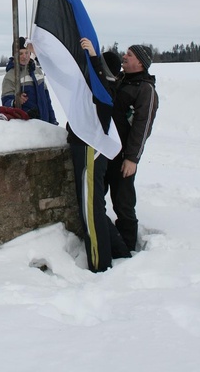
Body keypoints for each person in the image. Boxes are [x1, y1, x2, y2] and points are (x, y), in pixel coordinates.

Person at [66, 38, 131, 272]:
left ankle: (100, 264)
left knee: (90, 210)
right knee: (94, 208)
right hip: (86, 147)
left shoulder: (106, 89)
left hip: (90, 149)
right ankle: (121, 252)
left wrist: (94, 58)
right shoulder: (100, 86)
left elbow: (99, 84)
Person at [106, 45, 159, 251]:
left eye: (130, 55)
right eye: (125, 54)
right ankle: (106, 238)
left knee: (123, 202)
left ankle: (127, 247)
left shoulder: (145, 89)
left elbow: (143, 127)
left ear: (141, 63)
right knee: (96, 196)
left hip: (124, 157)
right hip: (106, 150)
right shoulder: (119, 80)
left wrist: (132, 158)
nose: (124, 57)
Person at [1, 36, 58, 124]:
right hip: (27, 128)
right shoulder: (11, 76)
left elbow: (47, 100)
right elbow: (6, 102)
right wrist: (16, 102)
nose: (24, 56)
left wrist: (53, 121)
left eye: (26, 52)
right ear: (14, 55)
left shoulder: (38, 72)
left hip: (44, 125)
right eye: (20, 53)